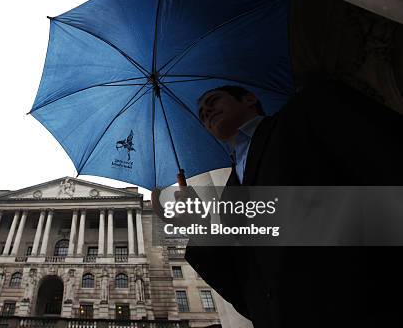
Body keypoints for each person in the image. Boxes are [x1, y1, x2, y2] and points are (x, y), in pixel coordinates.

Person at [163, 80, 403, 327]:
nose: (208, 112)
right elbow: (249, 289)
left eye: (213, 102)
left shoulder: (310, 109)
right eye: (202, 114)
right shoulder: (230, 193)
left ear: (249, 99)